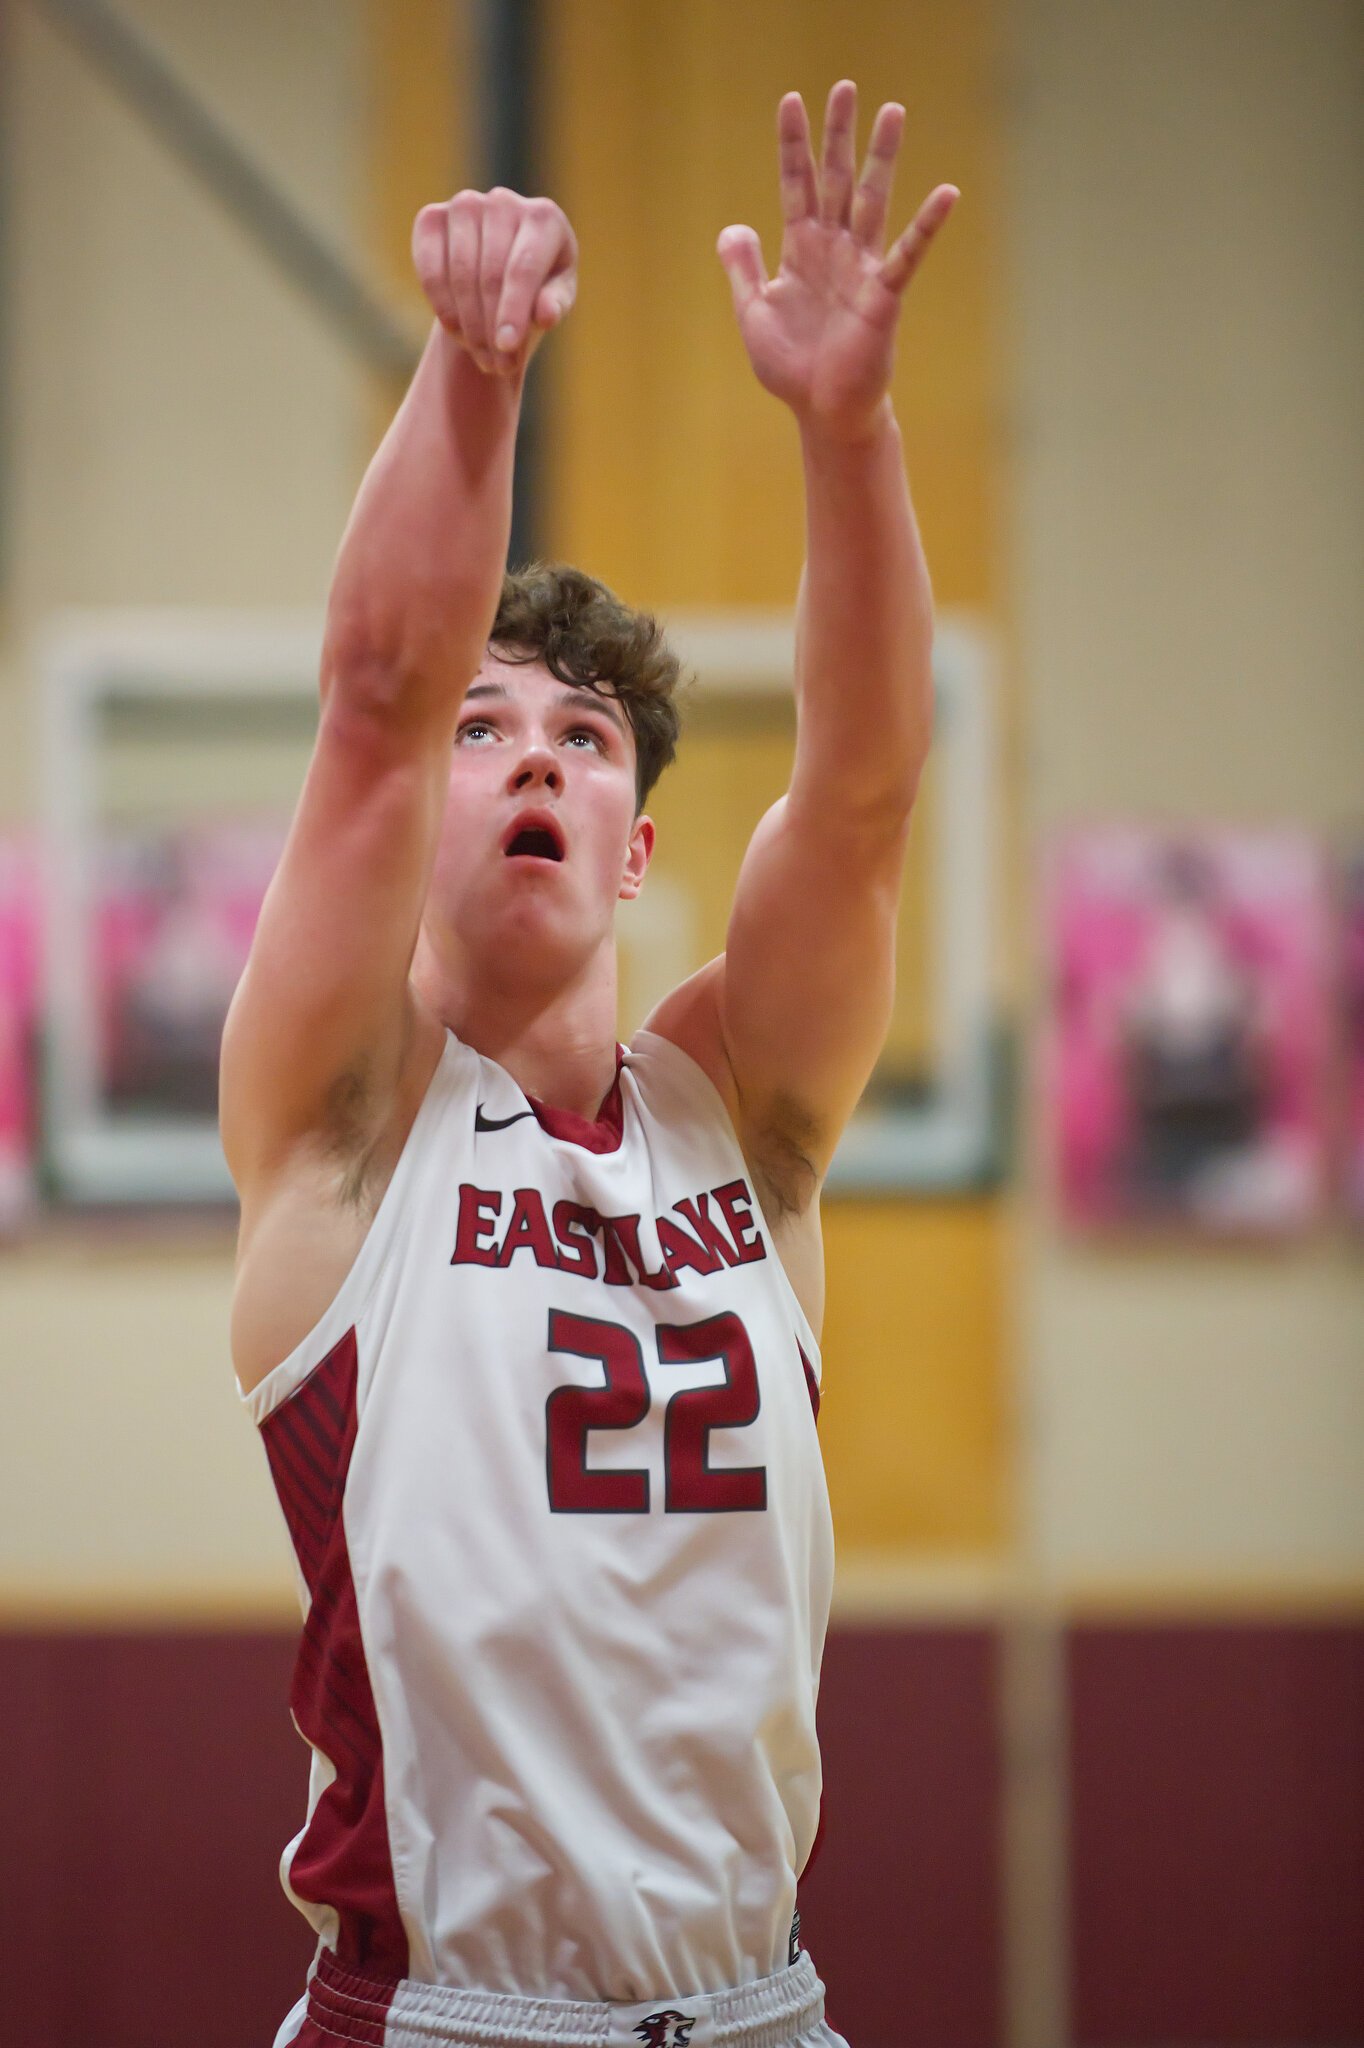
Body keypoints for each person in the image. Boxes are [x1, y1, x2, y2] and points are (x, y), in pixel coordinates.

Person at [222, 78, 957, 2048]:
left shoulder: (749, 1109)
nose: (530, 753)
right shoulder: (346, 1123)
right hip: (448, 2015)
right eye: (492, 731)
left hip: (757, 2010)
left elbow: (865, 789)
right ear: (428, 827)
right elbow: (374, 697)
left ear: (637, 845)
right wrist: (475, 375)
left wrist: (849, 429)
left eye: (580, 737)